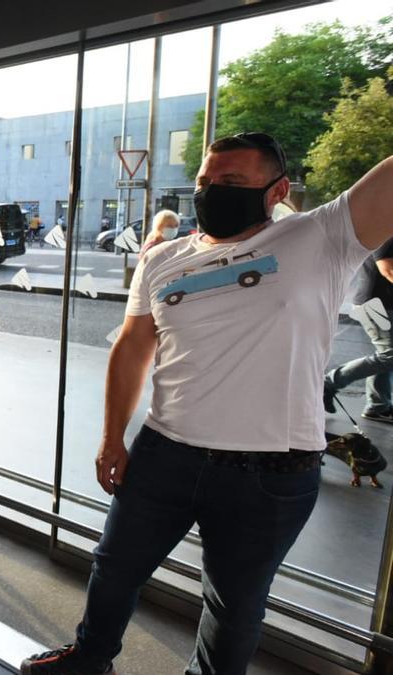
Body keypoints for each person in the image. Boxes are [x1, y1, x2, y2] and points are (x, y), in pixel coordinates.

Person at [22, 133, 393, 675]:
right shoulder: (163, 259)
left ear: (278, 189)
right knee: (114, 567)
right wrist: (110, 437)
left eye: (233, 183)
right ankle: (91, 658)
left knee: (234, 604)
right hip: (164, 453)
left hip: (270, 470)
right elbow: (130, 351)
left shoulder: (322, 236)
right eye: (206, 182)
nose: (214, 192)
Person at [324, 239, 393, 423]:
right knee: (389, 355)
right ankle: (329, 383)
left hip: (381, 304)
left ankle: (378, 406)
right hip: (375, 304)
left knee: (386, 355)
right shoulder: (388, 233)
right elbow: (388, 269)